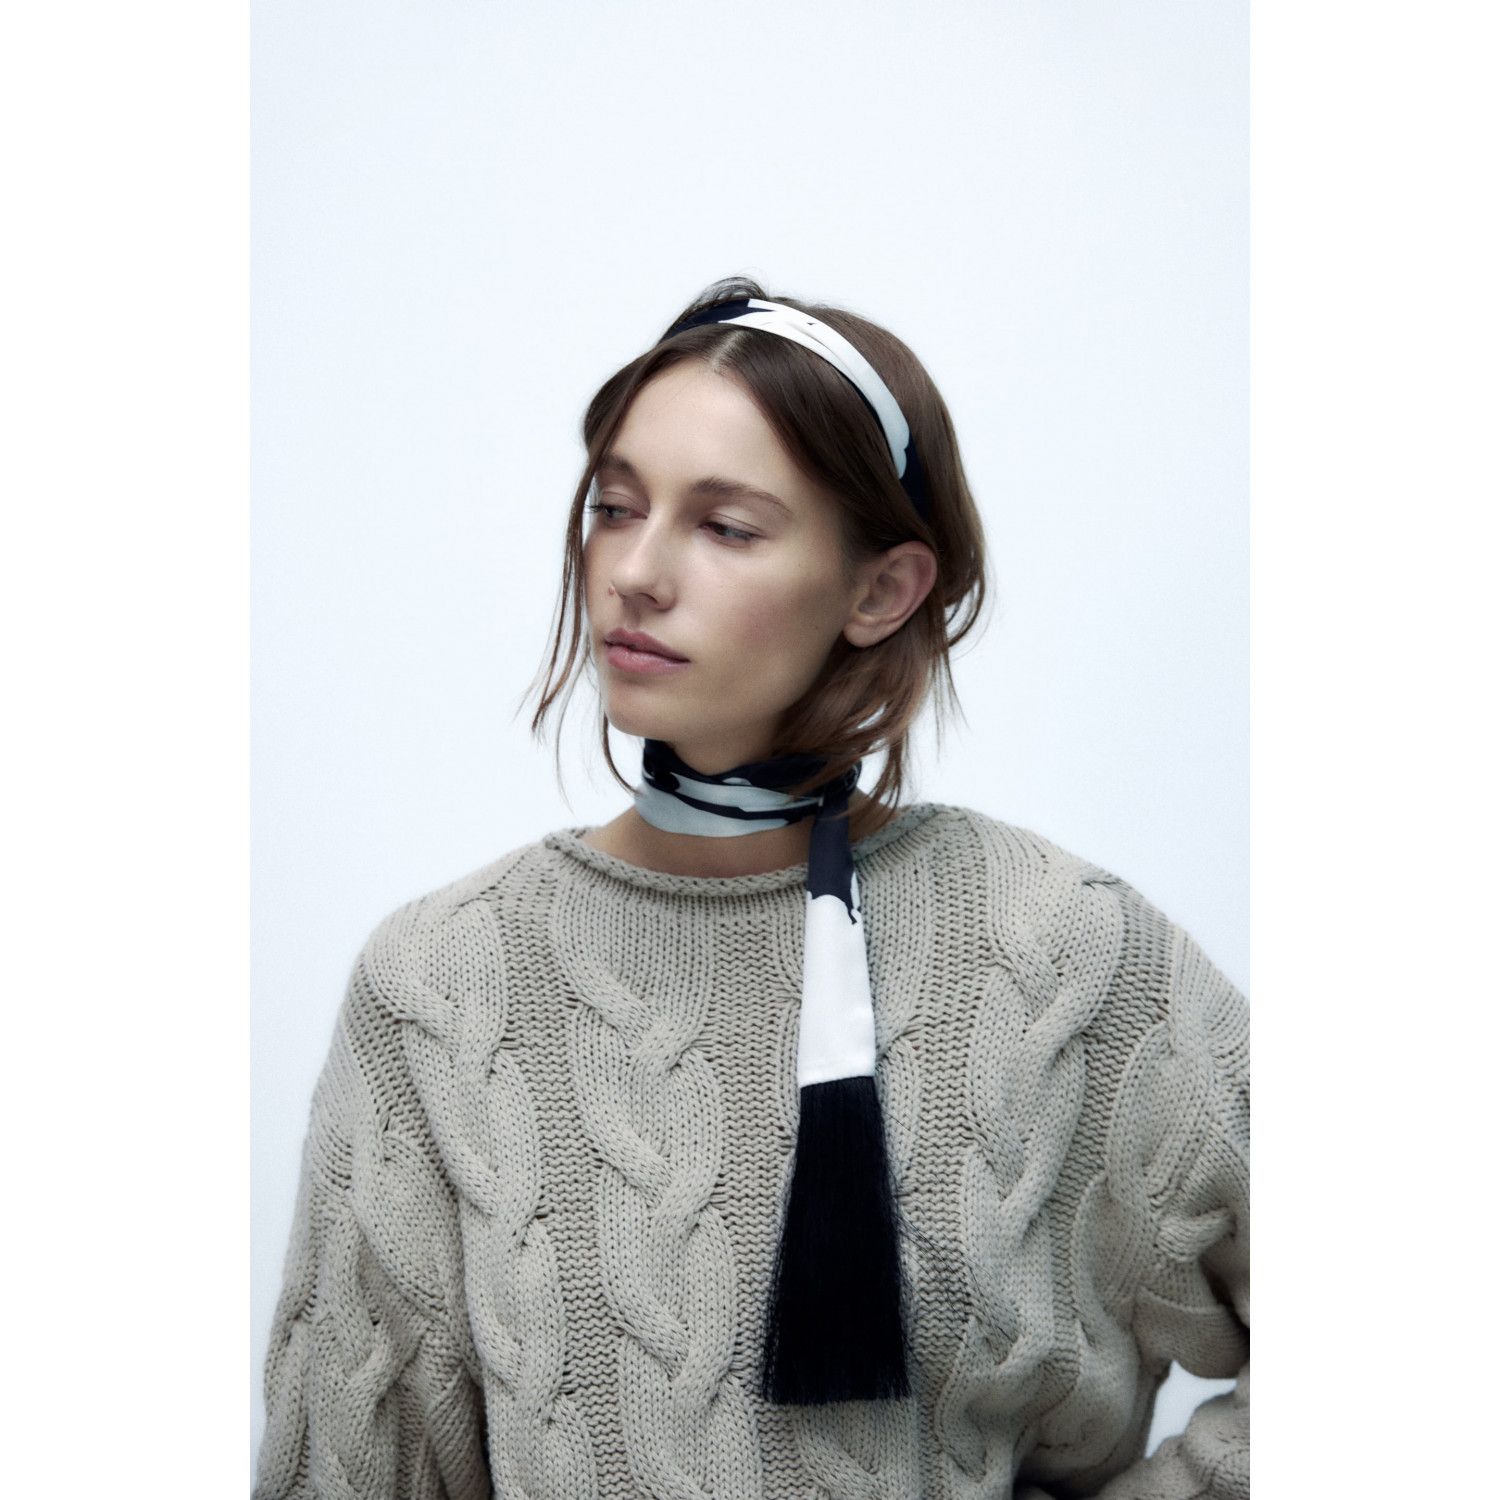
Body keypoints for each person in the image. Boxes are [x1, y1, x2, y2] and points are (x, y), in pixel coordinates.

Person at [252, 278, 1249, 1499]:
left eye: (726, 527)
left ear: (881, 590)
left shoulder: (1061, 949)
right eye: (615, 507)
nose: (635, 572)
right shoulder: (443, 984)